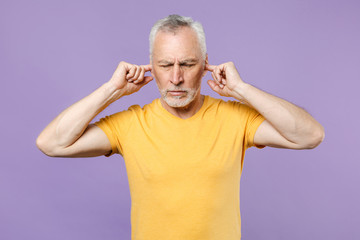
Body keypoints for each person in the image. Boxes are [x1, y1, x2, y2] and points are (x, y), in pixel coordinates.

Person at [36, 14, 324, 240]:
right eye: (164, 65)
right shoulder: (131, 124)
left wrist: (242, 89)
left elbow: (309, 135)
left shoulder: (235, 118)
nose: (176, 77)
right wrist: (112, 90)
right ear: (150, 66)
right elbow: (51, 143)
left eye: (187, 64)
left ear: (205, 64)